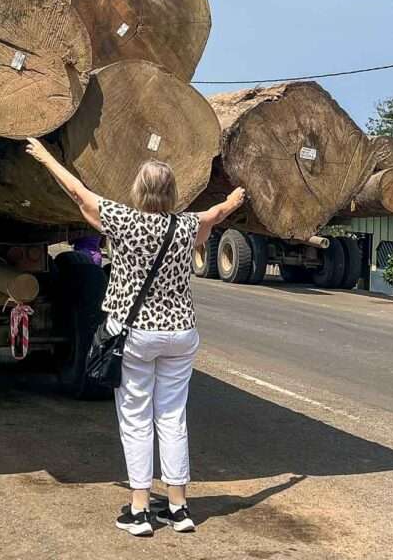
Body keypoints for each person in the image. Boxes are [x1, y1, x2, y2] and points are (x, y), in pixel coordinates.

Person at [25, 137, 246, 537]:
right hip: (181, 333)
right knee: (172, 417)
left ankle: (140, 509)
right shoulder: (187, 226)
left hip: (136, 334)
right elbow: (216, 213)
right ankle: (178, 508)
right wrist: (235, 198)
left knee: (136, 420)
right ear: (173, 193)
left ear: (138, 191)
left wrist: (46, 158)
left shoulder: (123, 221)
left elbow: (79, 193)